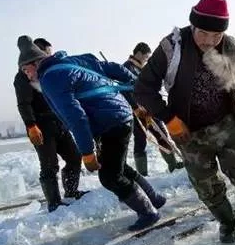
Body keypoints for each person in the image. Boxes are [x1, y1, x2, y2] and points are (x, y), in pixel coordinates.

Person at [135, 0, 235, 243]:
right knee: (206, 186)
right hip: (189, 131)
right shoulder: (172, 46)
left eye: (216, 35)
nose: (209, 41)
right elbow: (143, 88)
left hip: (225, 123)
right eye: (203, 34)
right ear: (193, 25)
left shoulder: (228, 44)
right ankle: (227, 222)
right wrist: (169, 117)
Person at [17, 35, 165, 230]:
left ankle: (148, 213)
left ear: (36, 63)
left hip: (110, 122)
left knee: (109, 176)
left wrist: (87, 152)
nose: (27, 76)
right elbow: (112, 68)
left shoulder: (49, 79)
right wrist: (137, 85)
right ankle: (154, 198)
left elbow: (75, 117)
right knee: (118, 167)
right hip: (118, 115)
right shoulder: (73, 60)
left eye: (27, 70)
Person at [14, 37, 86, 212]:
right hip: (41, 126)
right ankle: (54, 202)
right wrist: (31, 125)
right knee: (49, 165)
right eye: (47, 53)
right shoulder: (23, 77)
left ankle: (71, 191)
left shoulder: (49, 70)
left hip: (58, 122)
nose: (50, 57)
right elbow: (24, 103)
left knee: (74, 157)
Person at [123, 42, 184, 176]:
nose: (146, 60)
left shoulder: (142, 68)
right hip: (138, 112)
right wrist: (135, 107)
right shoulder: (126, 68)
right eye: (145, 57)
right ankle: (142, 173)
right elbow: (126, 92)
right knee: (140, 140)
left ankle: (173, 165)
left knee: (162, 134)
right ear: (138, 53)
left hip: (150, 108)